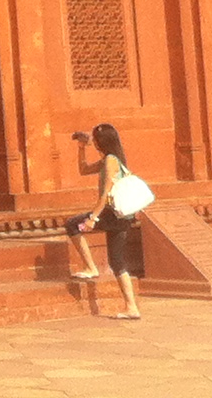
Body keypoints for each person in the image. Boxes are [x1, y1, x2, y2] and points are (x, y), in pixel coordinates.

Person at [62, 122, 146, 319]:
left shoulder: (110, 161)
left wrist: (93, 218)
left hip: (110, 214)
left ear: (102, 141)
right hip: (121, 216)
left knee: (73, 224)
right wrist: (81, 148)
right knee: (117, 261)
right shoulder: (113, 159)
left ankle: (91, 267)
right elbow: (84, 170)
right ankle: (131, 307)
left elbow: (105, 194)